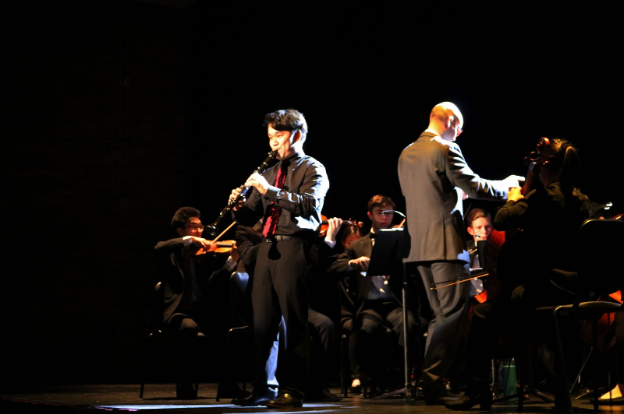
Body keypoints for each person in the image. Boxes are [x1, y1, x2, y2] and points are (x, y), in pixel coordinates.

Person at [397, 102, 523, 405]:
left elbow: (431, 195)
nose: (461, 133)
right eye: (460, 126)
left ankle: (432, 383)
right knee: (453, 314)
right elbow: (474, 185)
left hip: (418, 249)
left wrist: (454, 195)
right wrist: (506, 187)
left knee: (441, 315)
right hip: (445, 247)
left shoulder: (406, 153)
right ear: (450, 121)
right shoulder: (443, 148)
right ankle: (429, 378)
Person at [229, 109, 329, 408]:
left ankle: (293, 389)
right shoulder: (270, 171)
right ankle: (263, 387)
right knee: (263, 324)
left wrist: (270, 190)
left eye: (279, 136)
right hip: (266, 247)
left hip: (294, 247)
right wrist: (238, 205)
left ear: (297, 135)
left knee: (294, 322)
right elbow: (252, 214)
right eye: (270, 137)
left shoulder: (313, 169)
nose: (273, 143)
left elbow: (309, 205)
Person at [492, 138, 591, 412]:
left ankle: (490, 387)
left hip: (545, 288)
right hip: (577, 289)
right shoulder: (582, 201)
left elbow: (501, 220)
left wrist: (514, 198)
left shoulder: (541, 199)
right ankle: (558, 384)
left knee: (495, 312)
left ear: (546, 166)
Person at [328, 195, 420, 395]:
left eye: (388, 213)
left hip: (394, 302)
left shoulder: (402, 240)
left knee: (410, 324)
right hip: (370, 305)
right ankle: (373, 380)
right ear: (370, 215)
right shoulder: (357, 245)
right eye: (380, 213)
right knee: (367, 328)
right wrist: (353, 263)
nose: (385, 218)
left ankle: (403, 380)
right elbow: (334, 267)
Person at [153, 207, 239, 399]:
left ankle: (228, 386)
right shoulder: (171, 252)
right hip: (176, 313)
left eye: (200, 227)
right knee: (188, 328)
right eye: (193, 227)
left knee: (229, 329)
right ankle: (185, 386)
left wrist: (231, 262)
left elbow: (212, 282)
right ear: (180, 230)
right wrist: (190, 240)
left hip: (200, 311)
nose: (200, 231)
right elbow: (159, 247)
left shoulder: (203, 254)